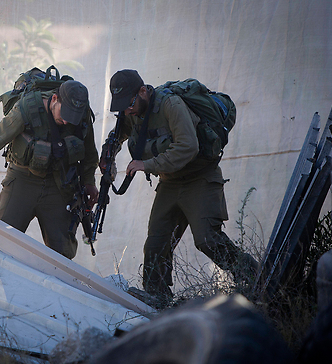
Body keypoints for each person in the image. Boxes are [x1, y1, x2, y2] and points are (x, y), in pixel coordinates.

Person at [106, 69, 258, 299]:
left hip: (200, 179)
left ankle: (256, 278)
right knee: (156, 246)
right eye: (122, 107)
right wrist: (109, 153)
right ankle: (158, 300)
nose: (127, 110)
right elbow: (120, 133)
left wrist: (147, 165)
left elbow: (188, 146)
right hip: (170, 183)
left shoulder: (171, 105)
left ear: (143, 91)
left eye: (129, 103)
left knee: (208, 240)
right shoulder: (132, 110)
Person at [0, 80, 99, 259]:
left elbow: (89, 154)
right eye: (64, 114)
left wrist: (89, 182)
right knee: (0, 243)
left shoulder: (82, 115)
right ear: (54, 99)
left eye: (72, 117)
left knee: (63, 254)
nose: (66, 121)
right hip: (22, 179)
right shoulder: (27, 108)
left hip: (59, 183)